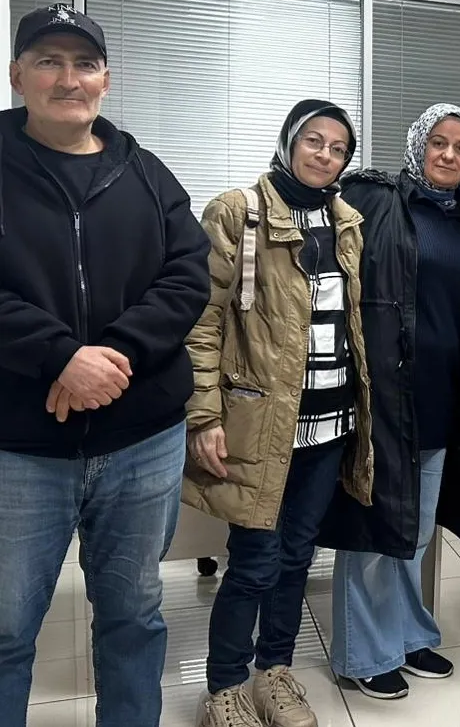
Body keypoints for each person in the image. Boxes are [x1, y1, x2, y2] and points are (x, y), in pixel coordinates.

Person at [0, 4, 211, 727]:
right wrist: (60, 356)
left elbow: (189, 274)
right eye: (49, 62)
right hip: (20, 447)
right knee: (6, 630)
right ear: (17, 75)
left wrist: (114, 356)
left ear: (106, 80)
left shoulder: (145, 172)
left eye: (84, 64)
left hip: (141, 443)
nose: (69, 79)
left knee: (134, 617)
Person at [185, 100, 371, 727]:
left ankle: (275, 673)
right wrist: (203, 415)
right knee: (254, 562)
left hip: (330, 423)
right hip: (260, 424)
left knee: (297, 558)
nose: (325, 155)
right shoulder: (238, 212)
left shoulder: (346, 222)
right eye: (313, 140)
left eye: (338, 148)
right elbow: (201, 323)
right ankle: (225, 686)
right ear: (289, 142)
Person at [316, 103, 460, 700]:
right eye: (438, 142)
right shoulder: (376, 198)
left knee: (415, 529)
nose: (448, 155)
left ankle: (409, 635)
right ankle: (363, 653)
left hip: (442, 395)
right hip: (383, 394)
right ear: (417, 144)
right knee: (373, 527)